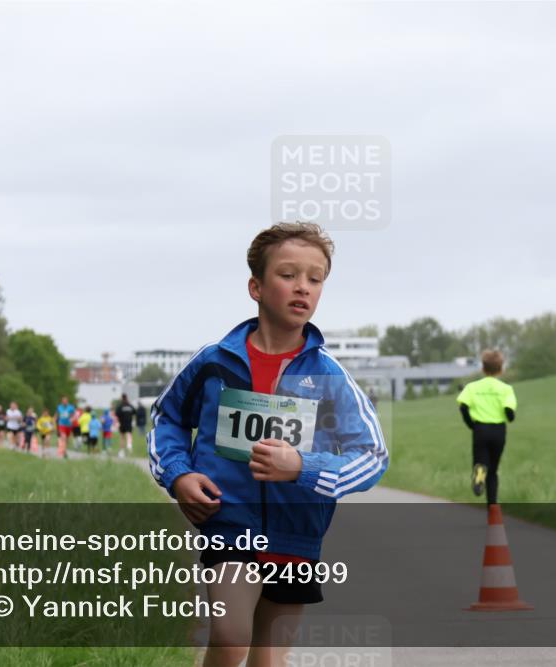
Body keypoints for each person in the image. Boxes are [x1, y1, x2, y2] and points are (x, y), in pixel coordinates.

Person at [149, 222, 388, 667]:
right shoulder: (213, 362)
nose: (303, 288)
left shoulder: (330, 376)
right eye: (288, 275)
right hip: (229, 521)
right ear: (255, 287)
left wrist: (304, 466)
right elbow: (166, 420)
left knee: (268, 658)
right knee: (230, 635)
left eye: (315, 279)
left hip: (296, 534)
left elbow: (373, 456)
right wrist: (178, 475)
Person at [455, 349, 518, 505]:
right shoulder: (506, 389)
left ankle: (478, 477)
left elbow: (463, 407)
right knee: (494, 471)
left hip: (480, 430)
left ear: (482, 368)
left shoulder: (472, 387)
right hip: (498, 431)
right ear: (501, 368)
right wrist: (510, 416)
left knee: (481, 463)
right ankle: (493, 508)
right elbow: (509, 412)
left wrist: (471, 424)